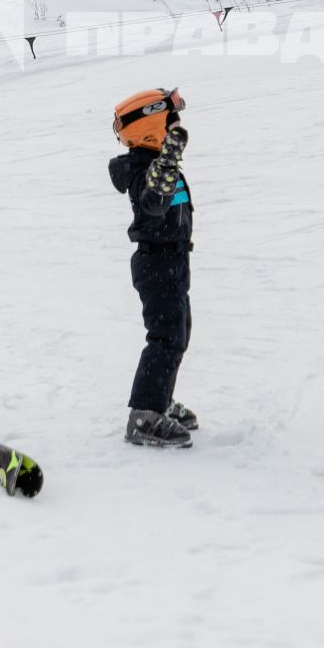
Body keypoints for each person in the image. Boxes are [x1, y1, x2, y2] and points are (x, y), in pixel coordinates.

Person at [108, 87, 200, 447]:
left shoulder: (157, 164)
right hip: (156, 261)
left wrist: (168, 162)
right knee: (165, 337)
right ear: (152, 128)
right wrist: (164, 166)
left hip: (172, 259)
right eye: (171, 121)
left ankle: (160, 400)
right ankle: (144, 416)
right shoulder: (143, 170)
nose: (176, 127)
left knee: (178, 334)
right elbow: (154, 202)